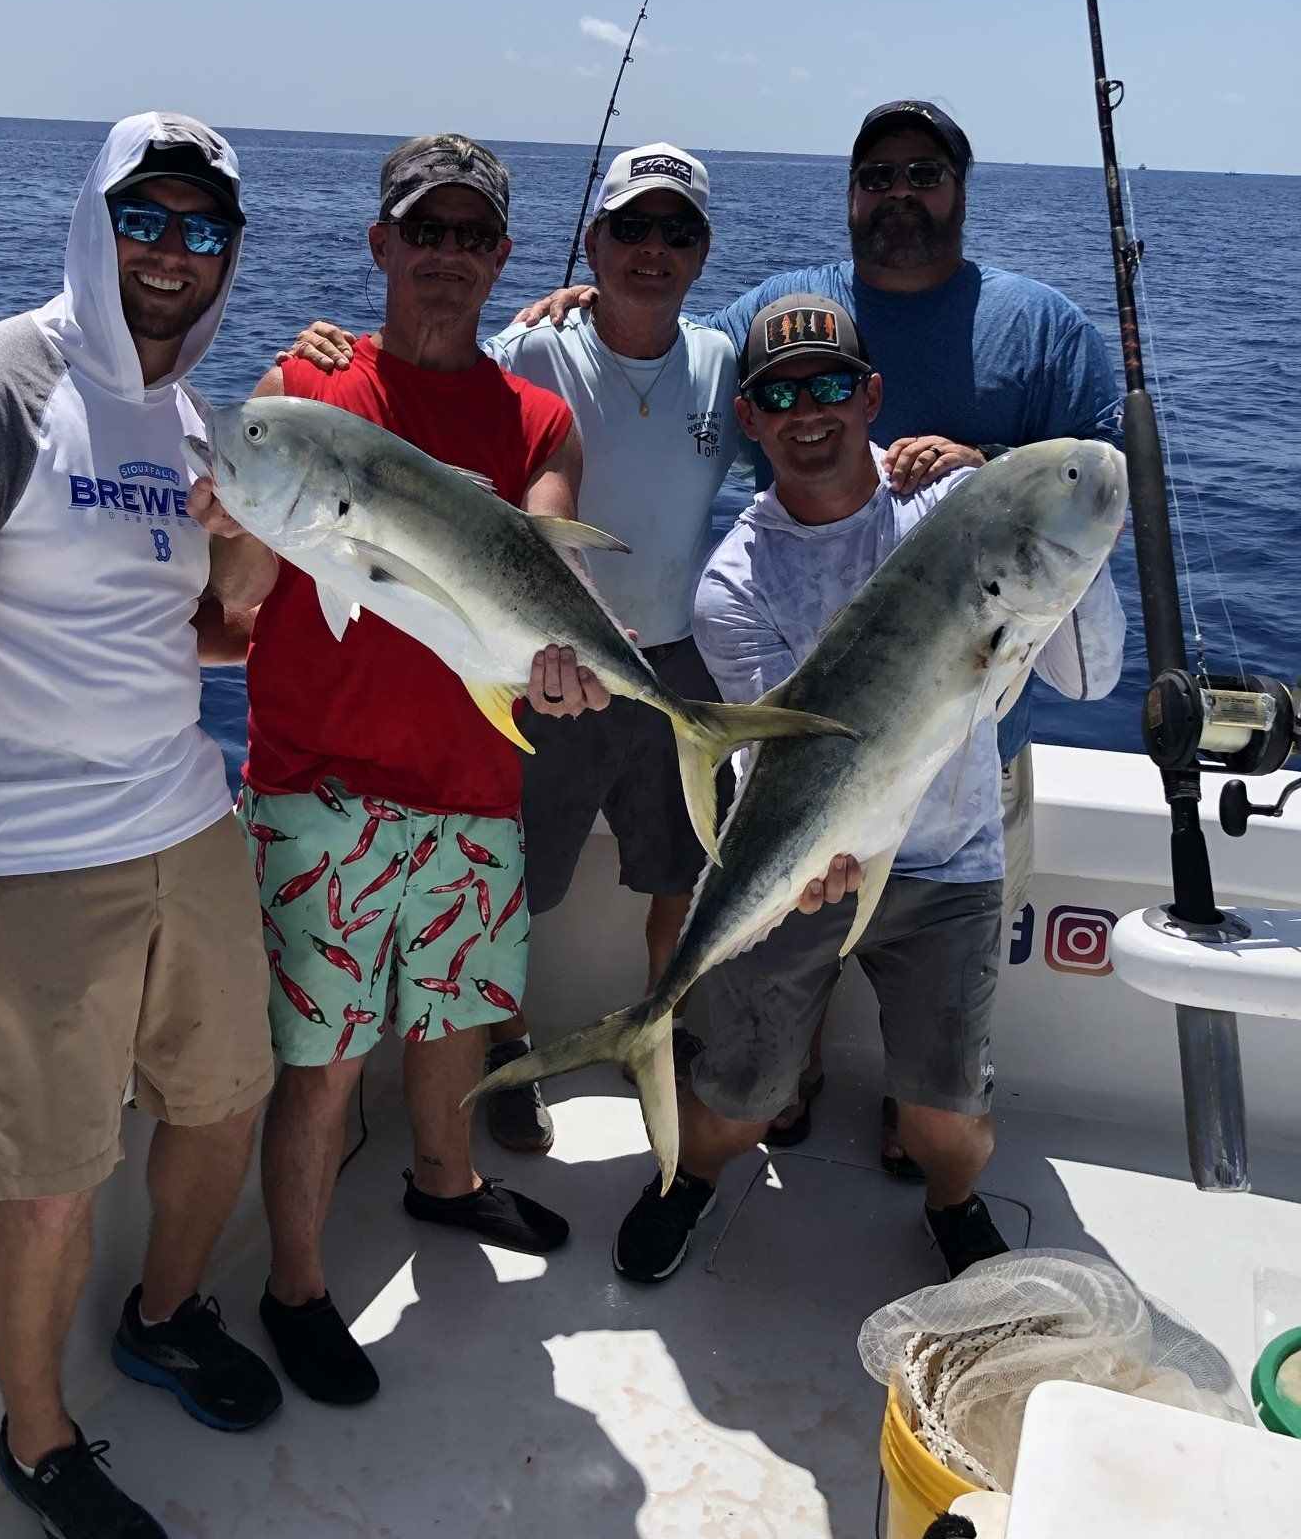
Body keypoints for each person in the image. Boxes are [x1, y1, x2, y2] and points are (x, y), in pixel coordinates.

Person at [0, 114, 285, 1539]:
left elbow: (207, 641)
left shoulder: (198, 427)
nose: (171, 252)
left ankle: (162, 1317)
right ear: (95, 223)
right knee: (47, 1189)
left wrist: (257, 555)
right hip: (18, 862)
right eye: (144, 218)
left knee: (228, 1104)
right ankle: (37, 1443)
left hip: (186, 823)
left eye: (202, 229)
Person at [515, 99, 1123, 1164]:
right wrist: (589, 306)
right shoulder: (783, 331)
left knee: (936, 1096)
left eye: (923, 171)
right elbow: (680, 339)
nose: (900, 192)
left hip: (969, 777)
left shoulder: (1041, 327)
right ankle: (742, 1091)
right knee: (764, 1066)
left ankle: (925, 1147)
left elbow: (1096, 511)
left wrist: (993, 478)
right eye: (877, 173)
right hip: (811, 760)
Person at [610, 294, 1126, 1285]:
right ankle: (686, 1165)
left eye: (834, 383)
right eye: (781, 392)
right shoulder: (734, 581)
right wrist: (814, 851)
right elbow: (776, 757)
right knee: (736, 1111)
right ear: (751, 419)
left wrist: (1035, 521)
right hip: (817, 859)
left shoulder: (952, 509)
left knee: (954, 1134)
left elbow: (1091, 678)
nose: (811, 409)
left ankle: (950, 1200)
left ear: (872, 393)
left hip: (953, 865)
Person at [214, 134, 593, 1410]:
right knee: (318, 1063)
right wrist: (228, 528)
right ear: (380, 245)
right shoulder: (304, 393)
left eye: (471, 235)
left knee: (453, 1018)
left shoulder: (537, 416)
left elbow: (546, 559)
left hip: (477, 782)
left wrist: (568, 649)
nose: (445, 255)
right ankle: (298, 1287)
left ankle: (446, 1180)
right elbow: (243, 590)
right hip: (318, 789)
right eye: (422, 231)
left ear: (501, 260)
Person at [275, 144, 740, 1153]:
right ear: (592, 239)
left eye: (677, 232)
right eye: (631, 228)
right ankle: (506, 1052)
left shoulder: (727, 356)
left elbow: (816, 395)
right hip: (534, 657)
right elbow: (451, 377)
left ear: (704, 254)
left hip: (661, 652)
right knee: (530, 880)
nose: (651, 250)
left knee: (679, 868)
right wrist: (309, 358)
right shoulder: (538, 345)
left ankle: (666, 1029)